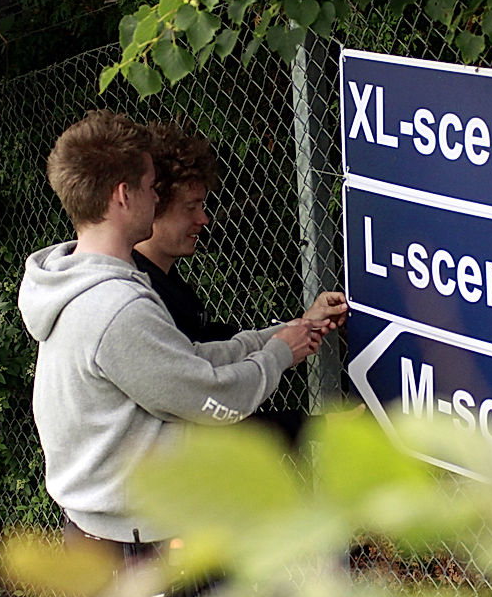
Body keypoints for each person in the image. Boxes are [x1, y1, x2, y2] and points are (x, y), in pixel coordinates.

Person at [18, 110, 331, 560]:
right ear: (123, 195)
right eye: (150, 186)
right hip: (139, 545)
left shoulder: (73, 281)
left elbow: (186, 361)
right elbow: (212, 399)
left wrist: (284, 335)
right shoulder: (115, 308)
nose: (155, 195)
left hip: (103, 532)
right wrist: (279, 355)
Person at [131, 119, 348, 444]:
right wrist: (320, 427)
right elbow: (210, 406)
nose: (204, 218)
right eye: (190, 207)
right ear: (151, 205)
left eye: (202, 205)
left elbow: (221, 349)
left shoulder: (165, 283)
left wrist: (301, 326)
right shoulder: (137, 302)